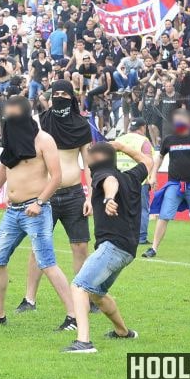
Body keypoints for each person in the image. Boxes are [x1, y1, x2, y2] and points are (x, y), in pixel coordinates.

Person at [0, 96, 76, 330]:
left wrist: (39, 202)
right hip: (13, 211)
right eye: (7, 115)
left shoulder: (43, 140)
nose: (9, 119)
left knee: (47, 263)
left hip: (35, 211)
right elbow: (3, 169)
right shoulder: (11, 138)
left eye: (13, 114)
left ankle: (73, 316)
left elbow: (56, 176)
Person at [62, 140, 152, 353]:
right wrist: (123, 147)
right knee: (97, 293)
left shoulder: (102, 174)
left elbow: (110, 181)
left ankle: (83, 342)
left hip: (112, 247)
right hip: (127, 251)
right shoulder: (131, 177)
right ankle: (123, 332)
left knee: (79, 286)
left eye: (89, 156)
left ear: (97, 159)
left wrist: (110, 198)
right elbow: (148, 161)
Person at [20, 80, 92, 314]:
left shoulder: (82, 125)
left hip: (74, 194)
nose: (60, 97)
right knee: (38, 248)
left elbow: (88, 164)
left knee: (80, 246)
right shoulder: (40, 123)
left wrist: (90, 196)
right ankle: (29, 299)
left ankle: (84, 296)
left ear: (72, 97)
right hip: (45, 195)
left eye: (65, 93)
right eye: (56, 93)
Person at [143, 108, 190, 259]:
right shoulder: (169, 139)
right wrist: (153, 175)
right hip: (174, 185)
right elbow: (160, 158)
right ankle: (153, 249)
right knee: (164, 216)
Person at [115, 118, 154, 244]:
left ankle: (120, 235)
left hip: (119, 179)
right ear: (143, 128)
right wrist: (149, 179)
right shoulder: (144, 141)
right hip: (138, 180)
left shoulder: (119, 139)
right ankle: (141, 237)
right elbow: (148, 161)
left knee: (120, 209)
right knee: (142, 209)